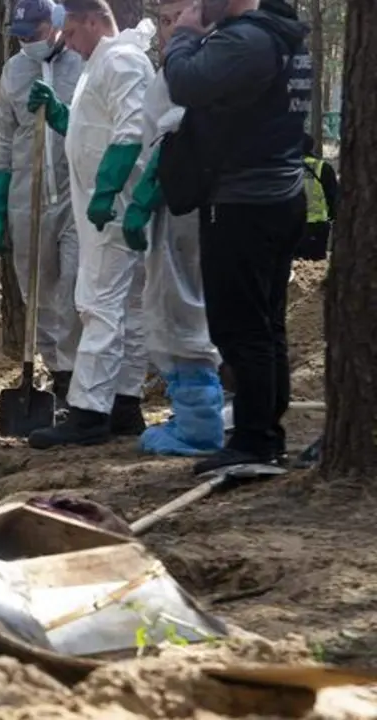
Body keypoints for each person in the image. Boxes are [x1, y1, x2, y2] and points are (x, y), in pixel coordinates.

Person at [161, 0, 312, 473]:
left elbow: (184, 82)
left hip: (243, 202)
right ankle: (263, 430)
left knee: (240, 326)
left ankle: (255, 440)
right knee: (266, 325)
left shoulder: (246, 40)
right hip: (279, 194)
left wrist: (183, 36)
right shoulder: (280, 33)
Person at [24, 0, 154, 449]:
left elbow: (131, 130)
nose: (69, 45)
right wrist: (61, 116)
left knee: (97, 305)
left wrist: (107, 190)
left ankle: (89, 411)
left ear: (96, 21)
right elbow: (94, 128)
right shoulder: (102, 64)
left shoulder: (120, 60)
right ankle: (124, 403)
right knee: (127, 309)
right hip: (111, 207)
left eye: (75, 33)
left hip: (112, 209)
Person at [119, 0, 225, 457]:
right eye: (163, 20)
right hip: (178, 203)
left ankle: (200, 421)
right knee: (172, 298)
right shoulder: (178, 69)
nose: (169, 29)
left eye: (179, 18)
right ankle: (191, 408)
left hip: (186, 201)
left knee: (182, 302)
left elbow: (176, 135)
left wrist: (146, 192)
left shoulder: (201, 68)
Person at [0, 0, 83, 406]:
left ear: (54, 23)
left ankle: (83, 376)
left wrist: (63, 114)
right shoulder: (13, 71)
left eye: (34, 32)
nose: (27, 41)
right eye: (21, 34)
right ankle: (59, 379)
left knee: (76, 289)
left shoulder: (81, 63)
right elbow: (4, 142)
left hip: (76, 194)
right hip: (27, 197)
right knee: (38, 293)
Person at [297, 133, 338, 261]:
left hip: (292, 225)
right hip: (317, 225)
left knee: (295, 265)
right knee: (316, 265)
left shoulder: (287, 168)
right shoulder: (323, 168)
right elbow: (333, 196)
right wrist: (333, 215)